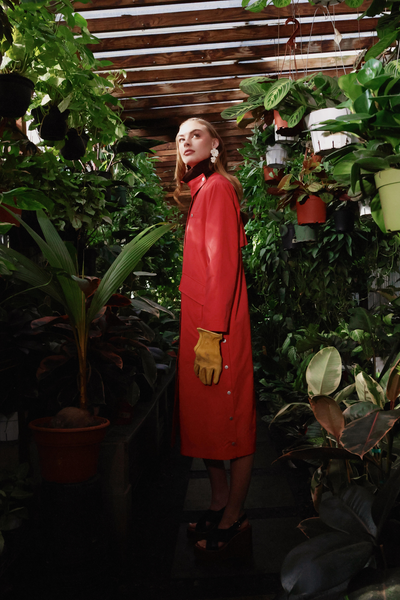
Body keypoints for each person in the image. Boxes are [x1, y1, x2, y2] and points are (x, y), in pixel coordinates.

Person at [173, 117, 256, 559]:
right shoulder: (202, 190)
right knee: (204, 418)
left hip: (216, 327)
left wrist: (210, 334)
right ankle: (219, 501)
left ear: (215, 144)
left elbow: (223, 265)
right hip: (200, 323)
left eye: (195, 134)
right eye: (180, 138)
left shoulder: (219, 188)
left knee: (233, 420)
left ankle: (235, 517)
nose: (185, 141)